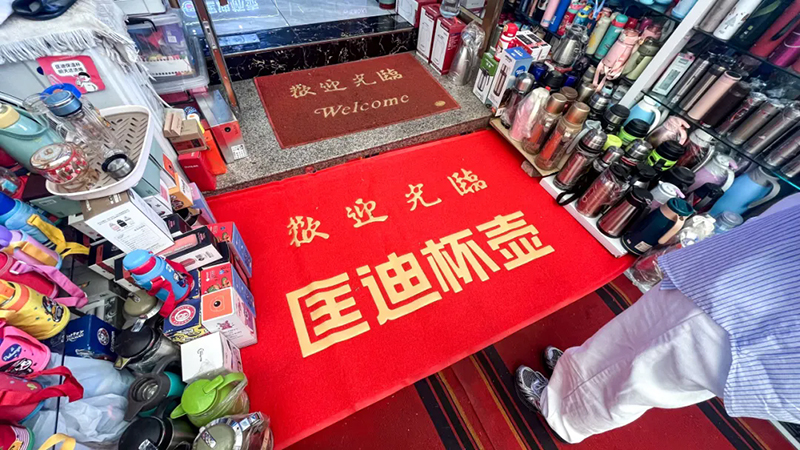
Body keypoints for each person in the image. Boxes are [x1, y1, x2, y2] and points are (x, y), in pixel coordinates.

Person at [515, 193, 800, 444]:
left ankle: (567, 415)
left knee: (652, 370)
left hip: (767, 315)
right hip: (748, 260)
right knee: (634, 330)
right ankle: (574, 372)